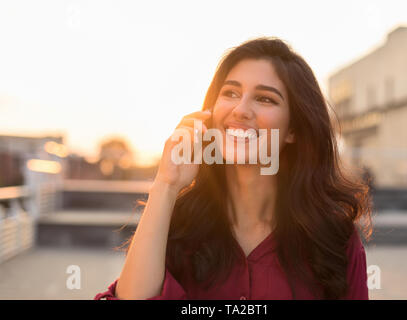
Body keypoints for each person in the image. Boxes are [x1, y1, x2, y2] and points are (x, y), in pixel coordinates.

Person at [94, 37, 373, 300]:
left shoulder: (333, 237)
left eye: (265, 99)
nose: (240, 109)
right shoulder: (175, 224)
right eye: (230, 93)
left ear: (293, 130)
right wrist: (166, 185)